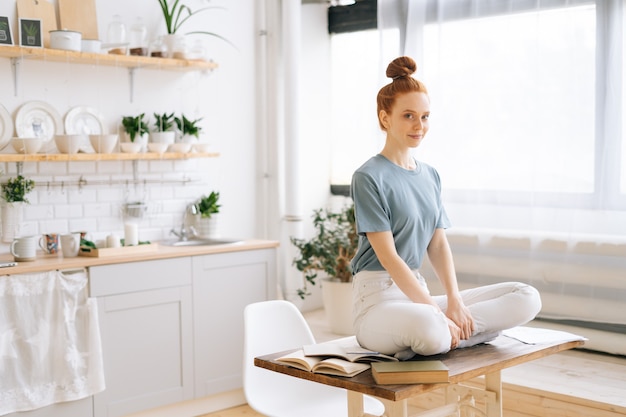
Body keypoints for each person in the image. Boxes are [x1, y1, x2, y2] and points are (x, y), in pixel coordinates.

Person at [350, 56, 542, 359]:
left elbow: (438, 244)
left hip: (418, 295)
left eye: (425, 116)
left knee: (526, 297)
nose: (419, 125)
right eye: (409, 116)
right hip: (378, 300)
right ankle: (459, 333)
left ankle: (450, 333)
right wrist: (435, 313)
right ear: (385, 118)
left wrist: (453, 301)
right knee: (429, 328)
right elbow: (389, 258)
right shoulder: (368, 176)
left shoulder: (430, 175)